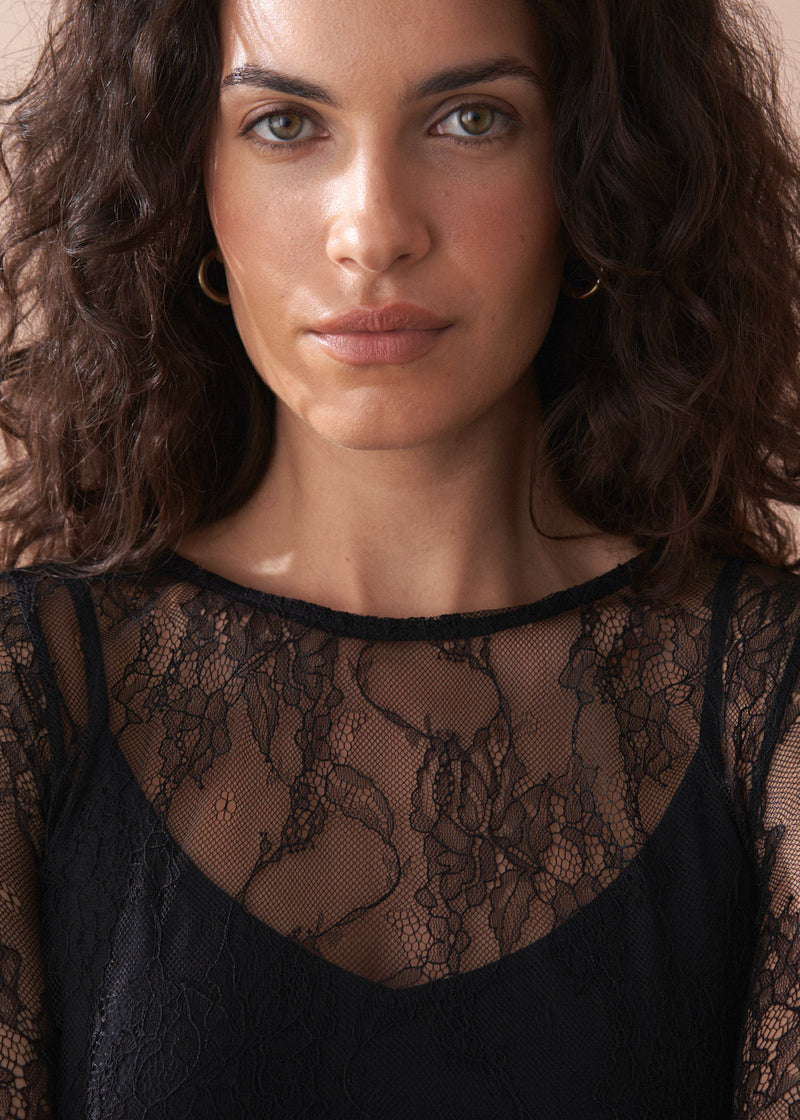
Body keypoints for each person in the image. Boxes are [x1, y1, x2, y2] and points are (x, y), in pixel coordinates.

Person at [1, 0, 799, 1113]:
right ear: (189, 187)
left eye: (470, 119)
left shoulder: (769, 701)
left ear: (597, 173)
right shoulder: (30, 689)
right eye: (284, 124)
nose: (372, 231)